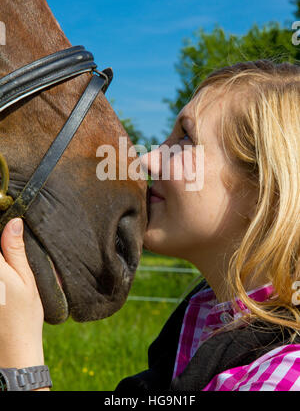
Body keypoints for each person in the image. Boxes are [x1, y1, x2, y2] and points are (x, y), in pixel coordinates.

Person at [1, 59, 300, 391]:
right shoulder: (202, 320)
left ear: (266, 191)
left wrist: (21, 363)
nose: (147, 160)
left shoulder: (285, 374)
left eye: (186, 138)